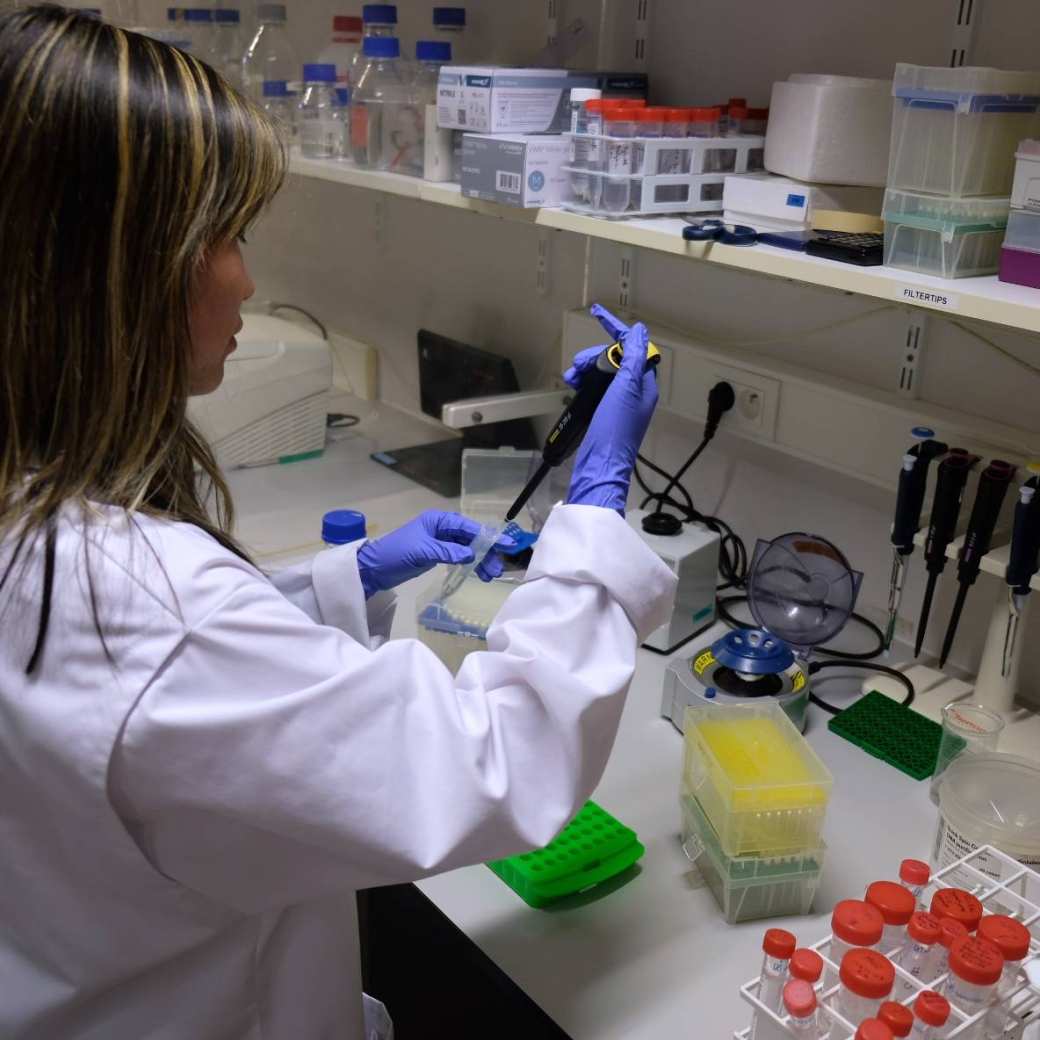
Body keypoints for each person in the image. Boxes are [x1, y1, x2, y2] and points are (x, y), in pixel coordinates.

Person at [0, 7, 675, 1040]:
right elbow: (493, 764)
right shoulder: (152, 613)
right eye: (223, 235)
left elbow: (136, 706)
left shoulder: (38, 511)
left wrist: (341, 579)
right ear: (113, 272)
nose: (247, 278)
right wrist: (596, 506)